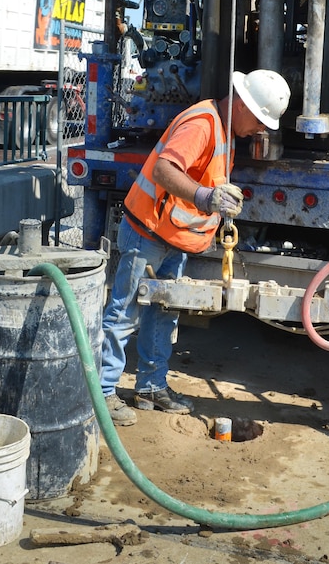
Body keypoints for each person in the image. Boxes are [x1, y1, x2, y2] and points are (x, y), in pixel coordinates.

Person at [100, 69, 292, 426]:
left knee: (164, 310)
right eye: (260, 121)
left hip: (174, 235)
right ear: (243, 105)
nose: (260, 130)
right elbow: (164, 171)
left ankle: (151, 387)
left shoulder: (224, 129)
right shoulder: (203, 123)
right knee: (124, 314)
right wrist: (207, 197)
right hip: (149, 231)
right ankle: (103, 391)